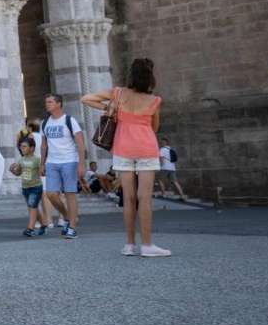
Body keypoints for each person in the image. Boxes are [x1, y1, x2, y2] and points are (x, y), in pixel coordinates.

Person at [83, 58, 171, 257]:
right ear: (150, 77)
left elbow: (86, 98)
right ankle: (147, 245)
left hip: (122, 149)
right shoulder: (154, 101)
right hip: (146, 148)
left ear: (131, 75)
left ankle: (129, 245)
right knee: (145, 198)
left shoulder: (118, 94)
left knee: (128, 198)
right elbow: (154, 128)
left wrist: (109, 108)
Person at [38, 94, 85, 239]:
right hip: (52, 162)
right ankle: (66, 216)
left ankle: (72, 227)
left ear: (59, 104)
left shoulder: (69, 120)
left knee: (69, 193)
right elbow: (44, 145)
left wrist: (81, 164)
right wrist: (42, 163)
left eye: (50, 101)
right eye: (46, 102)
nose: (47, 104)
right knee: (51, 194)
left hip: (69, 161)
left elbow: (80, 143)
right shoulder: (45, 123)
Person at [12, 136, 44, 237]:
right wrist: (13, 170)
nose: (22, 149)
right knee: (32, 207)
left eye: (25, 147)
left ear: (32, 148)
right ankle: (44, 224)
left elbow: (42, 172)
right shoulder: (21, 160)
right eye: (21, 147)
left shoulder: (37, 159)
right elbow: (18, 173)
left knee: (32, 206)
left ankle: (30, 228)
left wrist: (42, 170)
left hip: (36, 187)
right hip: (25, 188)